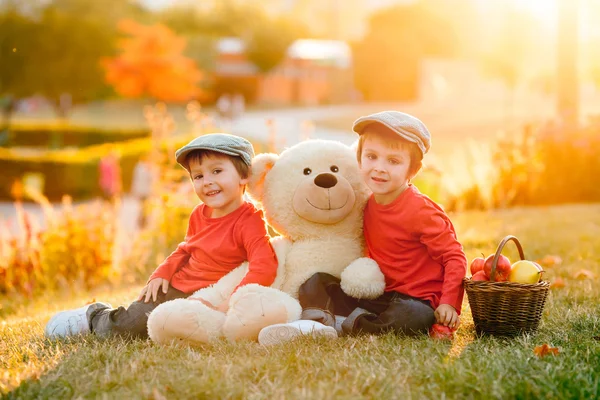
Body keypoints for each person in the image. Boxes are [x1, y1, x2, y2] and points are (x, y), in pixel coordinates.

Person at [45, 133, 279, 339]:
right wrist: (161, 273)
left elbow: (264, 266)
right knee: (130, 327)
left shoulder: (250, 220)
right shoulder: (200, 213)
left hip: (211, 296)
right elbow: (185, 249)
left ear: (244, 175)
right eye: (198, 176)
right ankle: (94, 316)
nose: (207, 182)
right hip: (176, 288)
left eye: (216, 171)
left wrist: (230, 304)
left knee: (175, 331)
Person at [297, 111, 467, 338]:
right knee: (317, 281)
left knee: (414, 316)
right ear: (359, 159)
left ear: (412, 170)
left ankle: (347, 326)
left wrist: (448, 304)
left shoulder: (422, 211)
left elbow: (454, 257)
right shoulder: (367, 205)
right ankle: (318, 320)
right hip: (379, 296)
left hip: (416, 300)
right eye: (371, 156)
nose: (379, 167)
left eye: (393, 161)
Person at [130, 154, 156, 229]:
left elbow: (135, 179)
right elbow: (151, 179)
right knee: (145, 207)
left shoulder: (138, 167)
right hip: (145, 191)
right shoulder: (146, 168)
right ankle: (142, 222)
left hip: (141, 191)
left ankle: (141, 221)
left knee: (143, 207)